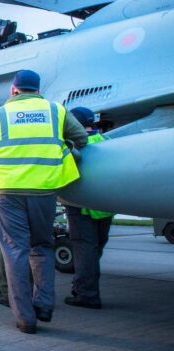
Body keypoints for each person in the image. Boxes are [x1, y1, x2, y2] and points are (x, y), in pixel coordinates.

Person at [0, 69, 88, 334]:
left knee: (14, 253)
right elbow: (81, 139)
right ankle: (44, 304)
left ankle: (26, 318)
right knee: (42, 247)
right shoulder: (56, 112)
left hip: (7, 194)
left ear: (13, 90)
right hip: (44, 192)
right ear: (38, 90)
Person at [63, 107, 113, 309]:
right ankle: (83, 287)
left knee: (84, 250)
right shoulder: (105, 142)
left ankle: (86, 295)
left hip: (82, 207)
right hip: (106, 207)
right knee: (95, 250)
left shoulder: (76, 146)